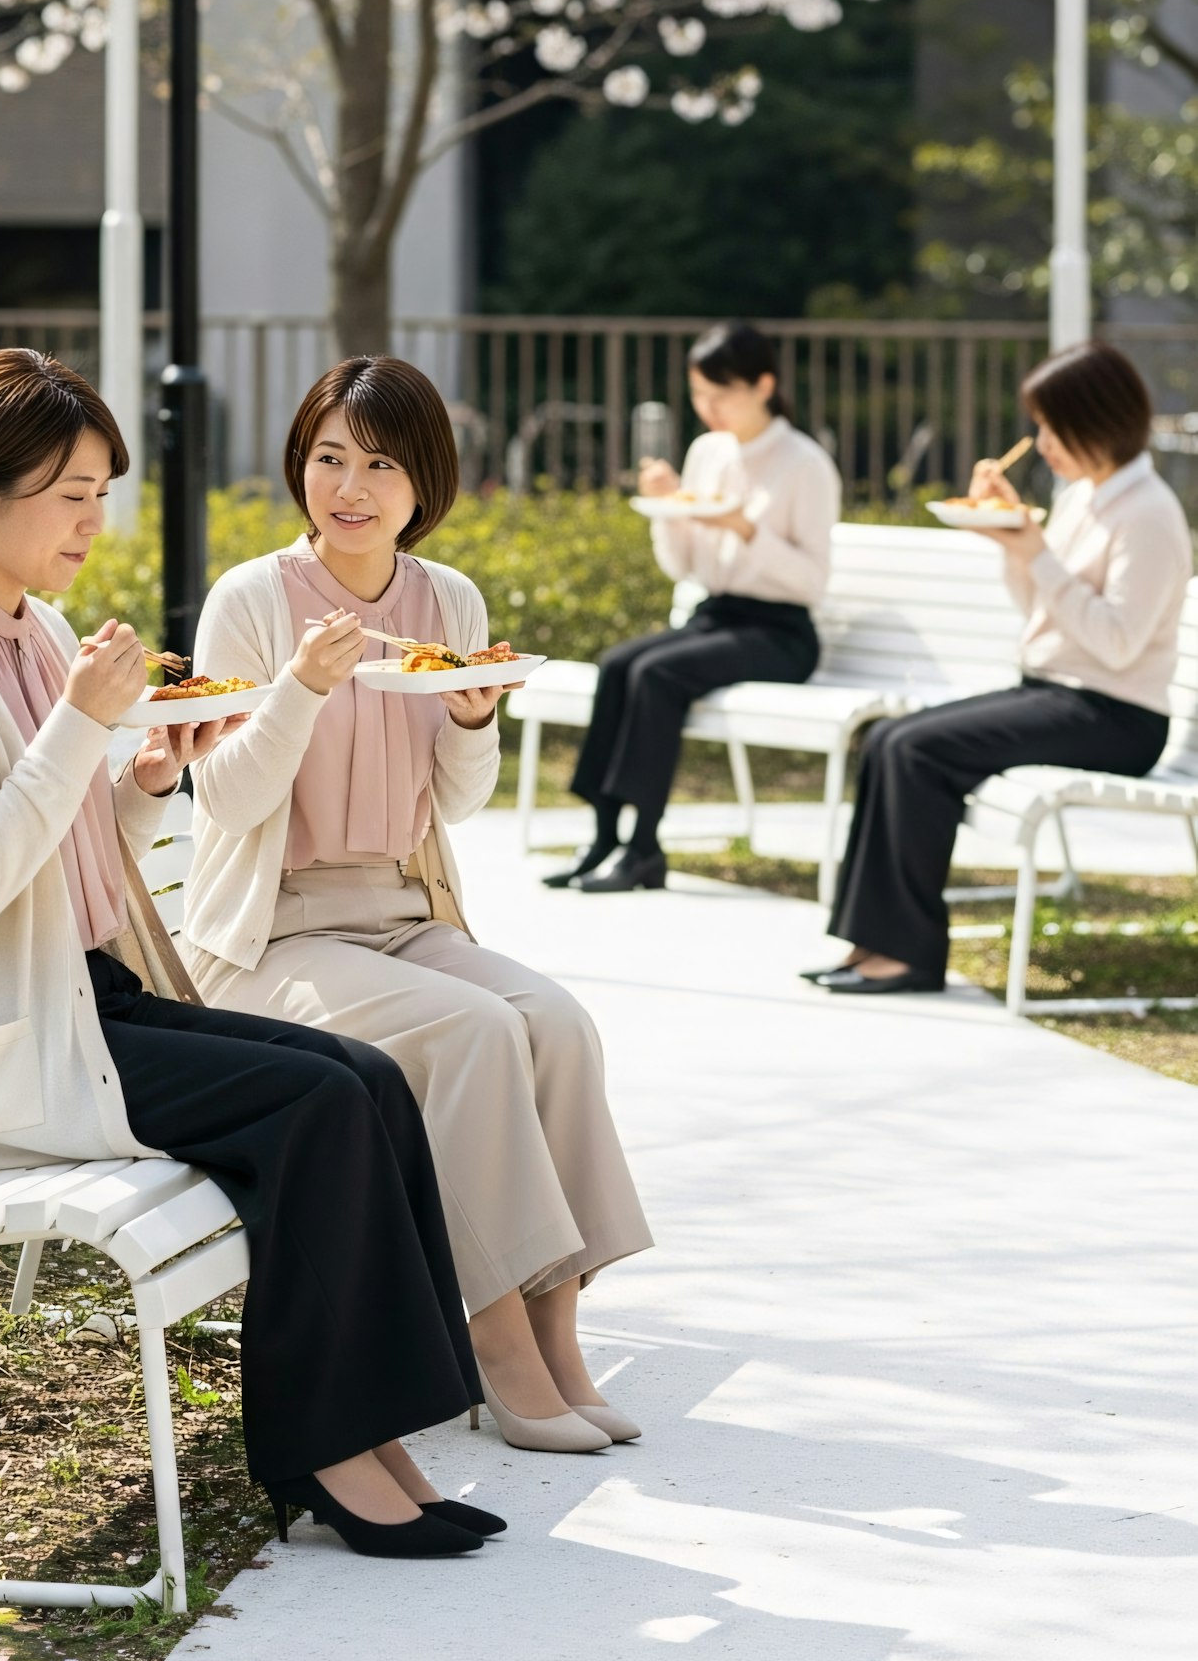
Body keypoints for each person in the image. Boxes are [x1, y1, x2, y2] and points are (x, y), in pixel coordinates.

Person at [0, 347, 499, 1561]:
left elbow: (66, 842)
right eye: (72, 494)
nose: (96, 522)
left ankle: (378, 1429)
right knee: (314, 1100)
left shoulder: (29, 625)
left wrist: (139, 781)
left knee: (365, 1078)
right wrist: (88, 722)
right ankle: (327, 1451)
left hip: (81, 996)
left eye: (102, 490)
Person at [178, 355, 653, 1458]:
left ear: (422, 478)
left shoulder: (448, 601)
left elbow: (457, 801)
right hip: (270, 932)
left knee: (556, 1023)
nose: (348, 484)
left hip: (401, 909)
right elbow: (229, 795)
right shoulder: (253, 598)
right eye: (329, 457)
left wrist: (475, 718)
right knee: (477, 1033)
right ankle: (496, 1346)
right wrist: (298, 687)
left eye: (380, 463)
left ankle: (559, 1334)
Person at [814, 339, 1191, 996]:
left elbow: (1119, 644)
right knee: (886, 740)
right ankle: (870, 941)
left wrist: (1036, 550)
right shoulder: (1084, 497)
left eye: (1052, 426)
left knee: (919, 751)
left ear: (1096, 421)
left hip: (1114, 715)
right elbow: (1037, 610)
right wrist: (1015, 545)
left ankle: (910, 954)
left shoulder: (1150, 514)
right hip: (1057, 693)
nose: (1042, 442)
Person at [550, 320, 841, 893]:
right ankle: (606, 832)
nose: (708, 409)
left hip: (782, 631)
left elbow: (811, 581)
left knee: (658, 674)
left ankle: (644, 846)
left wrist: (744, 528)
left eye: (721, 394)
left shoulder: (805, 464)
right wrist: (669, 510)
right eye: (699, 395)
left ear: (763, 385)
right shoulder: (708, 452)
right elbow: (682, 567)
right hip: (716, 614)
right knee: (618, 663)